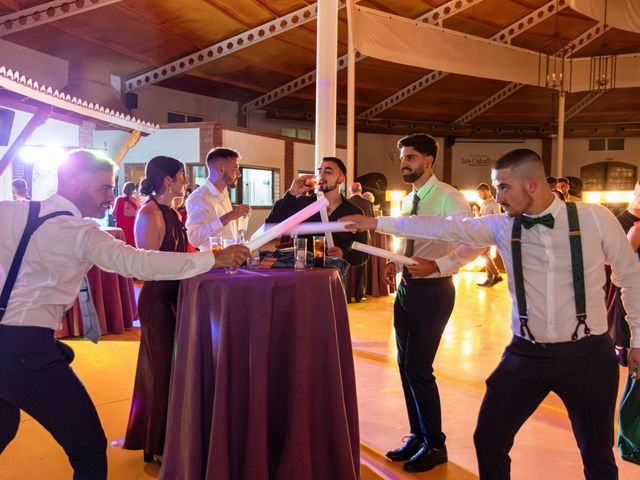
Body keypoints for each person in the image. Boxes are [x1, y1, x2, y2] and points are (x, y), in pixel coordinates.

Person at [344, 148, 640, 480]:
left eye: (503, 187)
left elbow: (629, 275)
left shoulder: (594, 218)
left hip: (588, 354)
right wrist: (374, 222)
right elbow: (443, 228)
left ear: (531, 184)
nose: (497, 197)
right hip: (527, 354)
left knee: (597, 454)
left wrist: (638, 339)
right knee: (489, 439)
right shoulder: (501, 225)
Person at [0, 150, 249, 479]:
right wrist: (212, 260)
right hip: (27, 351)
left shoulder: (11, 211)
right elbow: (140, 262)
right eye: (104, 188)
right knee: (88, 448)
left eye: (112, 187)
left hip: (13, 344)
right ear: (74, 182)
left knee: (3, 430)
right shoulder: (81, 233)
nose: (112, 197)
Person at [367, 134, 482, 473]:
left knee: (419, 369)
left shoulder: (449, 198)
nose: (404, 163)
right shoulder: (408, 199)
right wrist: (395, 260)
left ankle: (436, 445)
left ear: (429, 161)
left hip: (434, 290)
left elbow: (473, 243)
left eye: (411, 158)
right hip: (406, 289)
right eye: (403, 157)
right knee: (405, 367)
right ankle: (418, 436)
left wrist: (439, 265)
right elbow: (408, 240)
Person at [123, 156, 193, 462]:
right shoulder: (150, 214)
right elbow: (148, 267)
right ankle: (156, 443)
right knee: (160, 370)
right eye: (182, 176)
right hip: (158, 301)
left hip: (177, 297)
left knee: (174, 369)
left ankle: (170, 438)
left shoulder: (172, 212)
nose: (186, 182)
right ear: (168, 180)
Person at [265, 156, 368, 267]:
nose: (321, 175)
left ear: (341, 179)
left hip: (334, 276)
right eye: (319, 171)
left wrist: (344, 254)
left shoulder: (354, 212)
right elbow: (271, 224)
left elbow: (362, 255)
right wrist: (291, 193)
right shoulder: (303, 204)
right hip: (303, 272)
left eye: (328, 172)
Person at [185, 147, 250, 251]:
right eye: (235, 169)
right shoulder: (199, 197)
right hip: (213, 263)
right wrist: (229, 216)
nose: (239, 174)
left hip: (230, 261)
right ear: (221, 170)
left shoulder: (224, 192)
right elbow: (194, 238)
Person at [475, 183, 503, 287]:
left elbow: (498, 218)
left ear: (485, 191)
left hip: (490, 231)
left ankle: (496, 275)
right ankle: (490, 277)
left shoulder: (494, 203)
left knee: (483, 253)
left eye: (479, 193)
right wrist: (477, 212)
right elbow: (481, 218)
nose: (479, 196)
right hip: (484, 231)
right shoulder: (483, 203)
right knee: (484, 254)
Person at [112, 181, 139, 247]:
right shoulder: (136, 201)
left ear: (124, 189)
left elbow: (113, 214)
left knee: (120, 247)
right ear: (133, 191)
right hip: (132, 228)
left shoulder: (119, 199)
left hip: (121, 228)